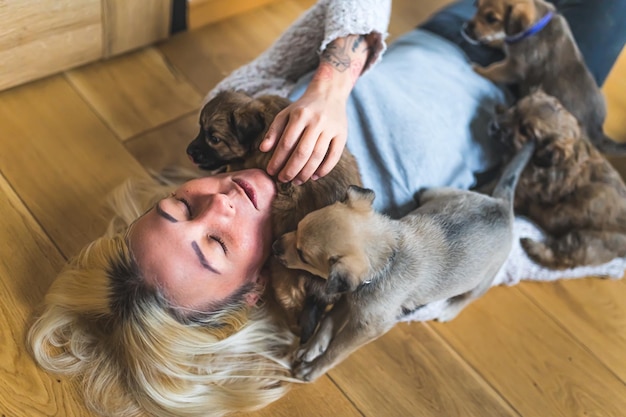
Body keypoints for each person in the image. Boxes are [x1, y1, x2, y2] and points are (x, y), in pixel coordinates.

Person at [27, 0, 626, 416]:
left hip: (460, 31)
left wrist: (329, 87)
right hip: (537, 94)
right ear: (252, 291)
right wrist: (607, 256)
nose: (220, 202)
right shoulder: (348, 266)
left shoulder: (232, 118)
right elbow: (496, 251)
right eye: (215, 245)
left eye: (181, 206)